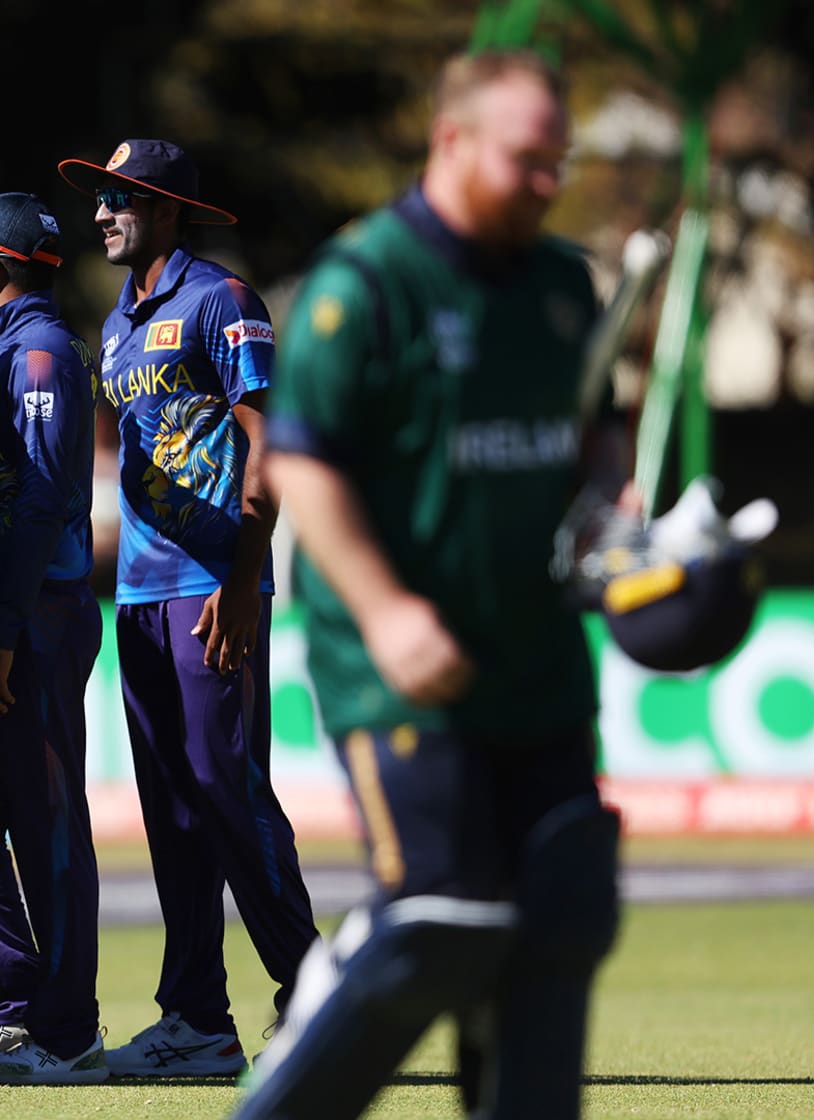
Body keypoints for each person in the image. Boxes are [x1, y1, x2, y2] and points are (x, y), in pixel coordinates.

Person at [232, 48, 641, 1120]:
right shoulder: (363, 283)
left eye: (561, 161)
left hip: (538, 665)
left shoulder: (563, 286)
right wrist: (386, 608)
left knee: (559, 914)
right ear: (452, 141)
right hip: (397, 670)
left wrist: (613, 510)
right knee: (446, 917)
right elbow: (299, 464)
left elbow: (595, 438)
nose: (550, 183)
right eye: (528, 161)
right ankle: (323, 1004)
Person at [56, 140, 319, 1077]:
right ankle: (198, 1020)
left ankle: (315, 990)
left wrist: (245, 582)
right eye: (96, 198)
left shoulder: (223, 302)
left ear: (166, 208)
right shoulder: (119, 323)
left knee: (225, 787)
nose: (99, 215)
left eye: (117, 198)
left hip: (214, 593)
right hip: (138, 593)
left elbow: (269, 450)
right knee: (170, 804)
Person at [0, 193, 107, 1084]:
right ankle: (11, 1007)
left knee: (47, 829)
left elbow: (39, 501)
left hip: (36, 622)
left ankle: (69, 1033)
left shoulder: (39, 353)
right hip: (13, 619)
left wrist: (3, 624)